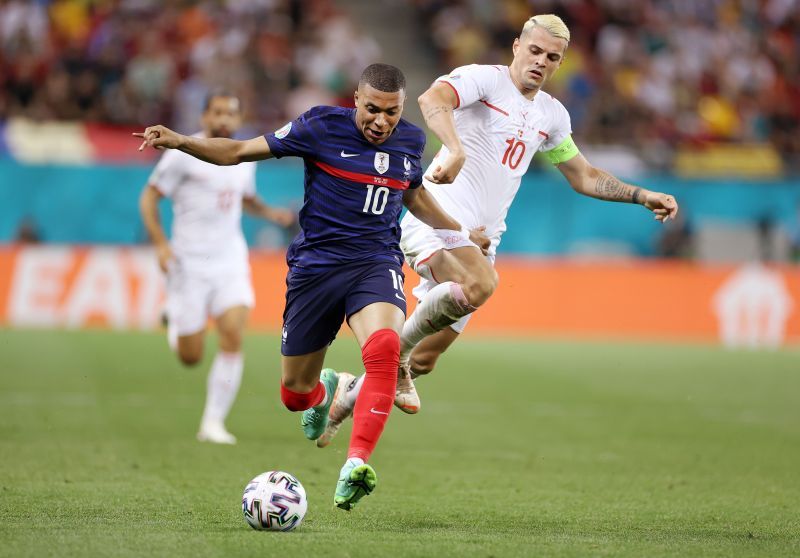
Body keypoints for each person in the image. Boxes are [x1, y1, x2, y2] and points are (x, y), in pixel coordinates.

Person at [316, 14, 680, 447]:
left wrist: (641, 195)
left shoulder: (552, 115)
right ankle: (394, 365)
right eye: (535, 51)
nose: (541, 62)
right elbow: (434, 99)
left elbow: (582, 176)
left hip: (483, 239)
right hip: (435, 214)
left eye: (552, 57)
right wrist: (454, 148)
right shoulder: (482, 82)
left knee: (427, 359)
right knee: (478, 283)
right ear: (516, 47)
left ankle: (346, 391)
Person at [135, 64, 487, 510]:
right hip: (316, 269)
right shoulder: (319, 125)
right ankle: (329, 390)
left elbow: (413, 196)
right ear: (356, 100)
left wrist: (458, 234)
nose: (381, 121)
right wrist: (182, 141)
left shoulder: (412, 141)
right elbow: (240, 151)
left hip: (374, 261)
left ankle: (354, 465)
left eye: (392, 112)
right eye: (373, 110)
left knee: (383, 351)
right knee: (294, 395)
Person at [139, 92, 294, 445]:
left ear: (239, 121)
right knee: (190, 357)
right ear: (205, 115)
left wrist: (269, 212)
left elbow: (243, 197)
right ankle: (174, 322)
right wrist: (161, 244)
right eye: (218, 112)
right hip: (189, 264)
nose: (225, 119)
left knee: (233, 336)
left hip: (229, 260)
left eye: (231, 114)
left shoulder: (244, 157)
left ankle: (212, 423)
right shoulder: (183, 155)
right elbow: (149, 197)